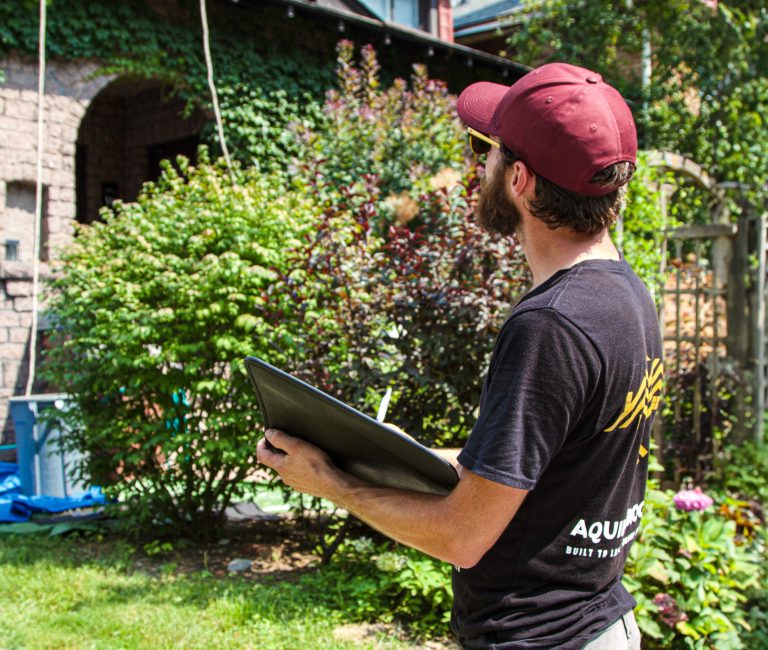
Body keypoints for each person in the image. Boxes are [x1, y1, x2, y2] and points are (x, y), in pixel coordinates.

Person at [256, 62, 661, 649]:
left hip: (539, 637)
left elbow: (461, 537)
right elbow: (555, 466)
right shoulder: (628, 295)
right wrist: (403, 455)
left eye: (485, 149)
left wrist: (332, 482)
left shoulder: (549, 326)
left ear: (519, 178)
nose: (478, 166)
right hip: (599, 625)